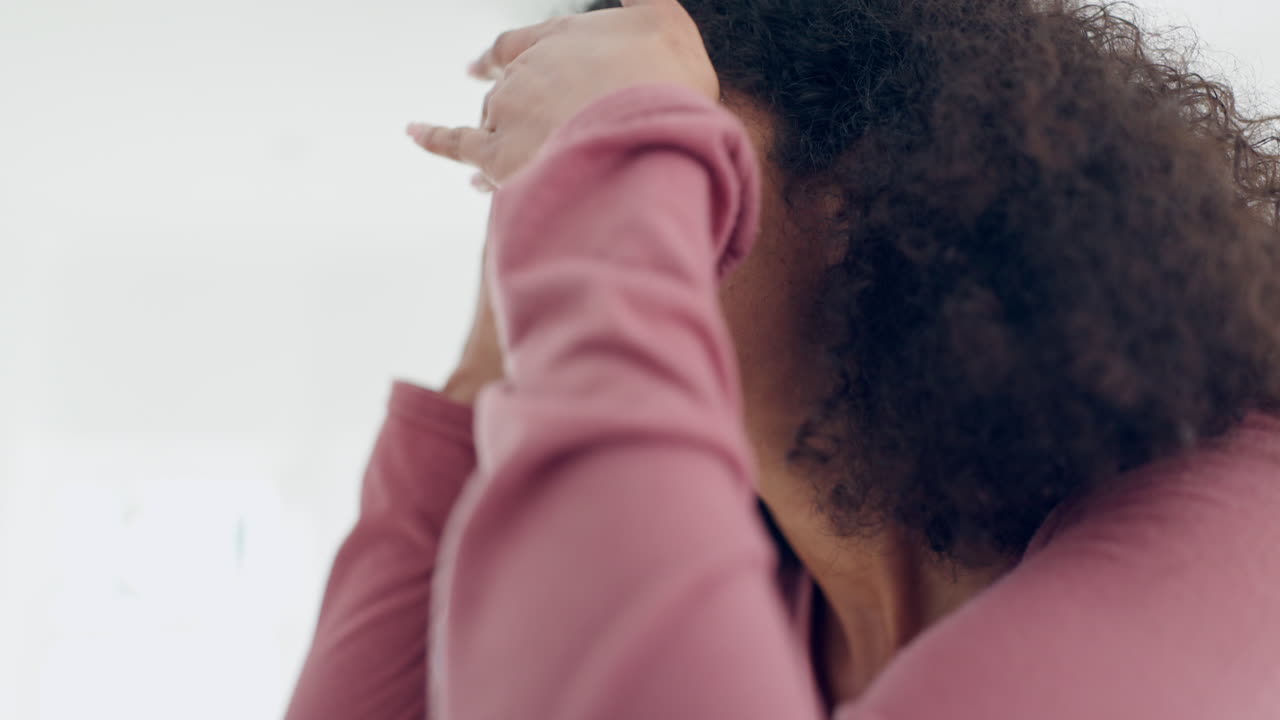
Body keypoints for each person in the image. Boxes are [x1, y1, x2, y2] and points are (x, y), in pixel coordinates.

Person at [286, 0, 1280, 717]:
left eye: (671, 141)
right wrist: (485, 363)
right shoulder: (760, 582)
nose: (567, 195)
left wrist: (605, 167)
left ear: (868, 185)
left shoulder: (1241, 526)